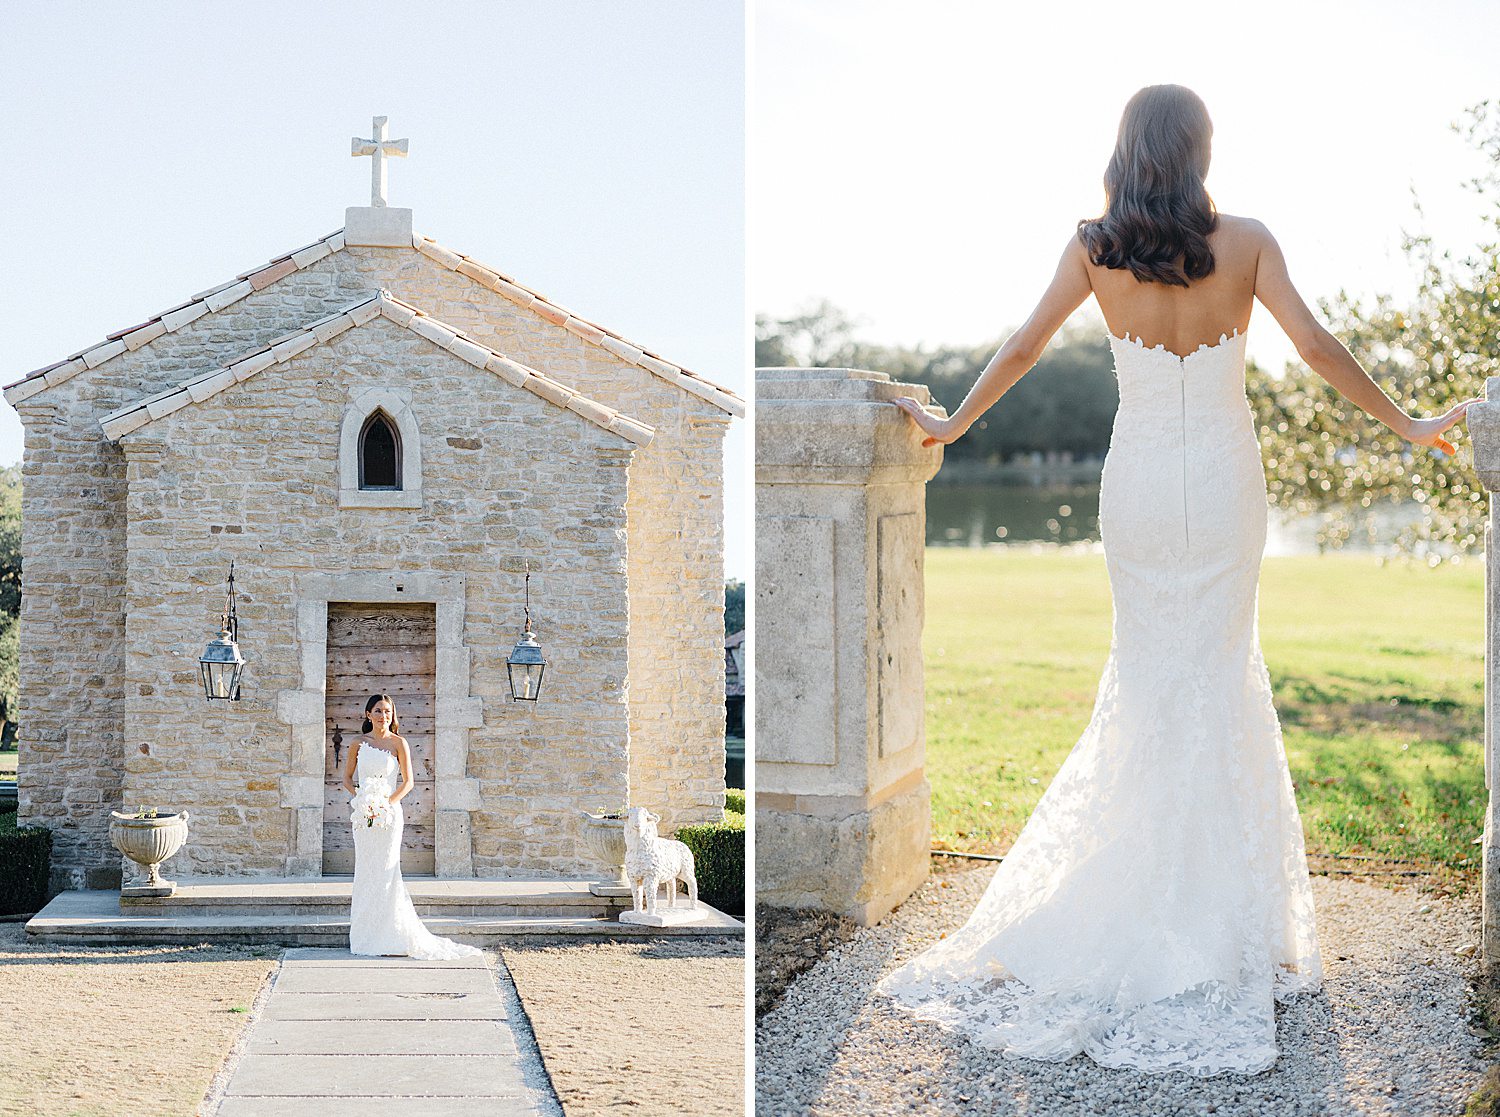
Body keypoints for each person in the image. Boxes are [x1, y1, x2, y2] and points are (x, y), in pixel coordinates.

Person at [880, 83, 1477, 1076]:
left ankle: (1150, 904)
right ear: (1202, 148)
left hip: (1142, 485)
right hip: (1222, 481)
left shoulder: (1093, 246)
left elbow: (1025, 344)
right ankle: (1222, 919)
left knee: (1152, 686)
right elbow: (1318, 348)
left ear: (1126, 150)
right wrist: (1411, 424)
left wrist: (954, 425)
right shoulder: (1245, 240)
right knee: (1218, 675)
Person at [339, 692, 483, 960]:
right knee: (367, 871)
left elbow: (408, 782)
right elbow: (347, 778)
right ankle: (365, 936)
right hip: (364, 817)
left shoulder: (399, 743)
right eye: (379, 711)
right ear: (368, 714)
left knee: (387, 870)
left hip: (389, 815)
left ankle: (390, 933)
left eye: (388, 711)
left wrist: (386, 803)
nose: (384, 716)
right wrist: (362, 800)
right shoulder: (358, 744)